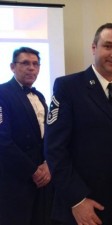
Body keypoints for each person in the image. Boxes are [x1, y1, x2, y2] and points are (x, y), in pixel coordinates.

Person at [45, 23, 112, 225]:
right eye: (108, 46)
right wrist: (77, 199)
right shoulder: (68, 87)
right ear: (94, 48)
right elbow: (55, 149)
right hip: (80, 207)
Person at [0, 47, 52, 225]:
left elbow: (47, 136)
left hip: (42, 178)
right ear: (12, 67)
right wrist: (33, 170)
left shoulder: (40, 96)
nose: (31, 68)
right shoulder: (2, 93)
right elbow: (3, 141)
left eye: (35, 64)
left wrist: (47, 164)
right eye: (25, 63)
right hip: (15, 179)